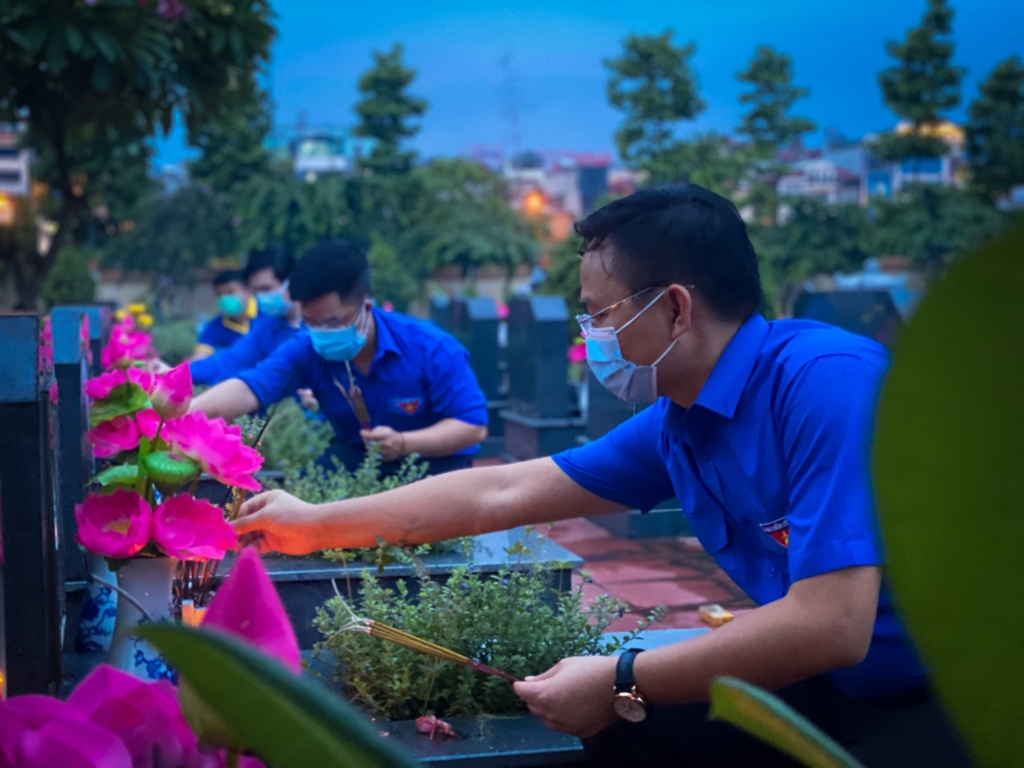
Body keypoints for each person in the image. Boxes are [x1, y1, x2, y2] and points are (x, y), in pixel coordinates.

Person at [228, 186, 971, 768]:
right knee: (627, 734)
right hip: (841, 684)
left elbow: (830, 623)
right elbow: (505, 489)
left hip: (959, 699)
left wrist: (623, 672)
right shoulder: (684, 421)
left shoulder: (823, 386)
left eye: (598, 314)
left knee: (630, 702)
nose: (592, 336)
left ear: (675, 307)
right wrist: (313, 523)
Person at [191, 240, 489, 476]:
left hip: (434, 464)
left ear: (366, 306)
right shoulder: (308, 347)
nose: (321, 332)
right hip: (356, 457)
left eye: (333, 322)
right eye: (312, 322)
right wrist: (181, 417)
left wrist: (403, 443)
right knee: (304, 501)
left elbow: (472, 426)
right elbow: (251, 387)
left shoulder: (430, 347)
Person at [189, 246, 304, 387]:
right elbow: (228, 362)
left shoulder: (320, 326)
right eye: (257, 291)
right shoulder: (267, 327)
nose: (262, 297)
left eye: (266, 289)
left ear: (291, 282)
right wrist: (175, 373)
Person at [193, 269, 256, 359]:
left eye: (230, 292)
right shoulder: (216, 326)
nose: (225, 299)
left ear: (247, 291)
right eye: (219, 295)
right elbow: (200, 358)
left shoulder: (267, 313)